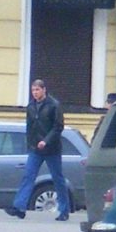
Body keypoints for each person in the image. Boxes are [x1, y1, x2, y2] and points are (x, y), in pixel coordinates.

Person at [5, 79, 71, 221]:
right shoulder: (31, 106)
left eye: (37, 90)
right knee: (28, 176)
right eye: (33, 90)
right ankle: (19, 207)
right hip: (36, 149)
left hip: (52, 149)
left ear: (44, 90)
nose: (35, 93)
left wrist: (46, 141)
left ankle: (64, 210)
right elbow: (30, 127)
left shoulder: (54, 105)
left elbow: (58, 127)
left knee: (57, 179)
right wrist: (31, 144)